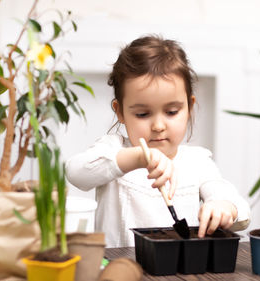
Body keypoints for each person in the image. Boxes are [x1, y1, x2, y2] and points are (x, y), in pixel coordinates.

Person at [65, 35, 250, 247]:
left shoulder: (197, 161)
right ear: (120, 112)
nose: (158, 126)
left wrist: (224, 206)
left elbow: (239, 208)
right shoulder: (113, 150)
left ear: (189, 107)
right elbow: (75, 172)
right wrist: (136, 158)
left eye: (171, 112)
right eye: (143, 114)